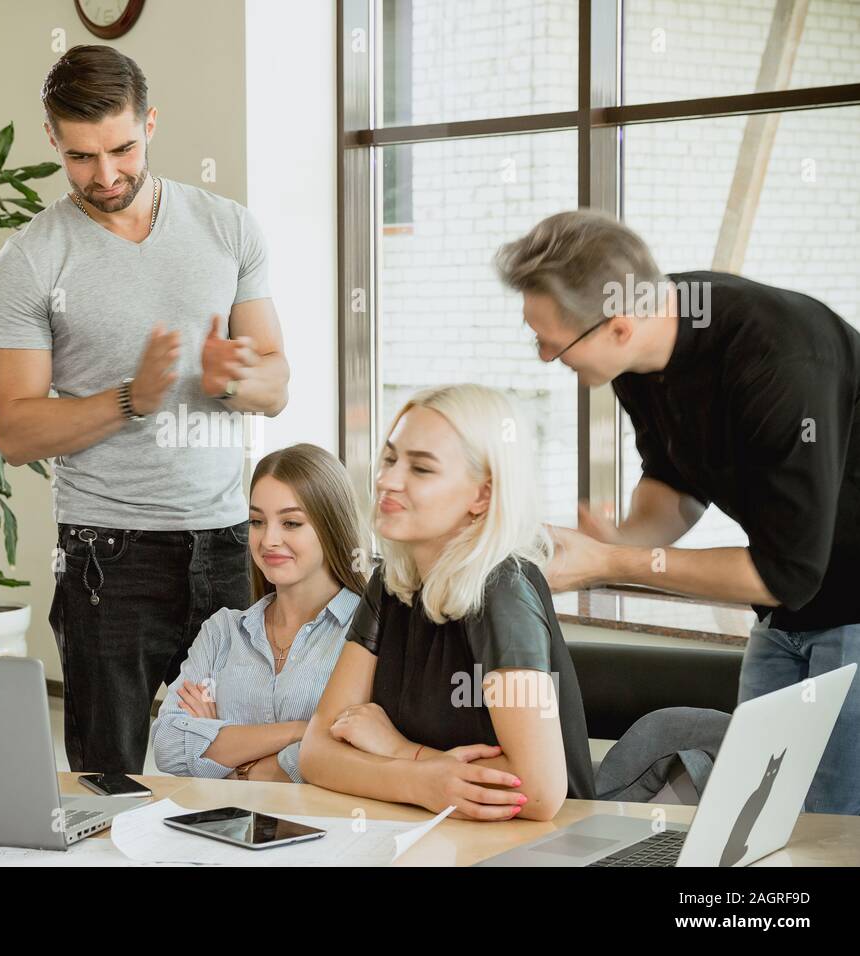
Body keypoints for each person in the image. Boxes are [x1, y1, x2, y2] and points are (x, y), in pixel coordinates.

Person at [0, 46, 289, 774]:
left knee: (239, 767)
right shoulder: (30, 260)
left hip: (226, 546)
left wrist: (236, 378)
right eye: (81, 157)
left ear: (150, 123)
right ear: (52, 140)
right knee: (107, 777)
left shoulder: (228, 227)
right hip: (105, 555)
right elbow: (16, 431)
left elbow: (277, 386)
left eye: (122, 148)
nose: (107, 175)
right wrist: (132, 400)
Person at [497, 209, 860, 815]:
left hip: (844, 605)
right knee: (758, 816)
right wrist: (621, 540)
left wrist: (613, 561)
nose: (542, 356)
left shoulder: (776, 361)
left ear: (616, 326)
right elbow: (675, 481)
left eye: (551, 342)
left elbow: (787, 571)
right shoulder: (641, 351)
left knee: (835, 830)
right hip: (784, 616)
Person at [299, 385, 595, 821]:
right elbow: (316, 752)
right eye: (390, 458)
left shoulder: (504, 589)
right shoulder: (391, 580)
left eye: (420, 468)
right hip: (429, 837)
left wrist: (401, 753)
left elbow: (538, 790)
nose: (387, 480)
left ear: (482, 496)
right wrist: (423, 779)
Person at [152, 444, 369, 782]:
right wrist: (302, 731)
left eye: (291, 523)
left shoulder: (366, 631)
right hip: (221, 827)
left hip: (325, 826)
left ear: (331, 527)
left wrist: (221, 748)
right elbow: (168, 745)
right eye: (256, 521)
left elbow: (356, 752)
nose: (269, 539)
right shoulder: (223, 630)